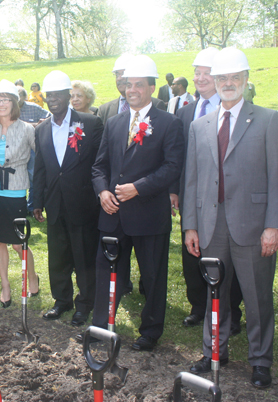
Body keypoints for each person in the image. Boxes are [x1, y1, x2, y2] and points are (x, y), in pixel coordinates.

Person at [183, 47, 278, 388]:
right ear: (214, 81)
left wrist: (274, 225)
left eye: (235, 77)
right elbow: (192, 180)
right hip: (211, 225)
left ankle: (260, 360)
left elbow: (277, 179)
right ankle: (215, 351)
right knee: (215, 293)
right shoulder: (200, 125)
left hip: (255, 226)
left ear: (245, 80)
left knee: (257, 297)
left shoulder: (269, 120)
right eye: (222, 77)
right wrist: (190, 226)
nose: (228, 83)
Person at [90, 55, 184, 350]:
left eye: (138, 85)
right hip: (113, 214)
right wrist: (103, 192)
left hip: (148, 214)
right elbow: (99, 166)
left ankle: (151, 331)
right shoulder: (115, 123)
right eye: (127, 84)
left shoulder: (169, 123)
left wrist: (138, 188)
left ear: (152, 88)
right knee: (105, 271)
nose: (131, 90)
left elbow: (172, 166)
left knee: (153, 275)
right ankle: (101, 325)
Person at [33, 70, 103, 327]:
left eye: (57, 95)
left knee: (84, 257)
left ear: (68, 96)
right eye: (48, 95)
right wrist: (37, 202)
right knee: (58, 257)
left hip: (83, 203)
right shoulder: (41, 130)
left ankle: (85, 304)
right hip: (55, 204)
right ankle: (62, 301)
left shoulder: (91, 123)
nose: (53, 99)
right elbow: (40, 169)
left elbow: (99, 163)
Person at [173, 47, 220, 328]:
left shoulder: (226, 108)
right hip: (191, 194)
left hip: (221, 194)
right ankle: (198, 306)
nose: (200, 79)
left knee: (221, 252)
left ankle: (229, 312)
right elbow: (178, 156)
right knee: (192, 251)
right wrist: (175, 190)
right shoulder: (186, 111)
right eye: (197, 73)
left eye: (207, 73)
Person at [0, 80, 39, 307]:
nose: (1, 104)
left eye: (6, 99)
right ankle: (5, 285)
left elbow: (41, 159)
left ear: (14, 102)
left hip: (14, 192)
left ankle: (32, 277)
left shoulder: (27, 129)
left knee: (18, 243)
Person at [97, 54, 166, 126]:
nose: (119, 78)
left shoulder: (157, 104)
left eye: (123, 74)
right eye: (117, 74)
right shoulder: (105, 110)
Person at [17, 86, 51, 216]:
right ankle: (20, 206)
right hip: (16, 149)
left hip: (32, 149)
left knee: (33, 178)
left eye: (20, 95)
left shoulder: (34, 108)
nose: (18, 98)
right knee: (18, 179)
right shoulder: (9, 109)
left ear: (25, 97)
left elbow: (50, 118)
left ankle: (32, 207)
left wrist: (34, 126)